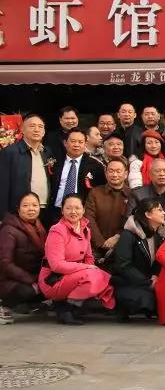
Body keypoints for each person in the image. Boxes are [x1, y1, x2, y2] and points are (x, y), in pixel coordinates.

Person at [38, 194, 116, 325]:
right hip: (53, 279)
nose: (73, 212)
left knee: (104, 276)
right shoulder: (57, 230)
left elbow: (89, 257)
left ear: (83, 210)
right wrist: (86, 268)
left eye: (77, 208)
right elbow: (56, 265)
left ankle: (71, 307)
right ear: (62, 210)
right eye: (68, 208)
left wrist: (89, 267)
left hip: (75, 276)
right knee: (93, 276)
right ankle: (66, 309)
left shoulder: (85, 229)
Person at [109, 198, 165, 322]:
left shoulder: (158, 235)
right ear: (148, 214)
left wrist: (155, 276)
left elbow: (159, 261)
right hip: (127, 282)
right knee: (149, 300)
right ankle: (122, 306)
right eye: (159, 210)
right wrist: (148, 282)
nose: (163, 213)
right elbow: (123, 265)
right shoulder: (128, 235)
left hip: (147, 281)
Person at [0, 193, 47, 323]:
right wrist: (30, 279)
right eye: (25, 205)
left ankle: (29, 304)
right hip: (8, 279)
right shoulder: (9, 229)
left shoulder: (39, 227)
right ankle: (3, 306)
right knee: (28, 291)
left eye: (34, 205)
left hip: (31, 275)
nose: (31, 209)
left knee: (51, 286)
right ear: (18, 209)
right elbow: (4, 262)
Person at [0, 113, 52, 222]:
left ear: (44, 132)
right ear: (22, 130)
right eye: (32, 126)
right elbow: (3, 186)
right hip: (19, 211)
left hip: (44, 209)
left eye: (40, 127)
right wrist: (2, 216)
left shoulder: (47, 152)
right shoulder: (10, 152)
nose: (37, 130)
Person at [49, 128, 106, 223]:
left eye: (80, 142)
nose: (76, 145)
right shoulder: (55, 162)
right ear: (65, 143)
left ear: (85, 144)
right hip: (56, 210)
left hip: (81, 213)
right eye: (73, 141)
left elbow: (100, 190)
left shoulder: (95, 165)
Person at [85, 159, 131, 262]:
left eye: (118, 171)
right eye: (111, 171)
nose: (114, 175)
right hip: (95, 247)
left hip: (122, 247)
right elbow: (89, 218)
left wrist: (118, 237)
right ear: (106, 174)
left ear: (126, 174)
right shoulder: (95, 193)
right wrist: (101, 242)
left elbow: (132, 222)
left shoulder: (132, 195)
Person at [128, 158, 165, 229]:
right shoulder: (138, 195)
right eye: (157, 171)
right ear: (150, 174)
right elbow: (130, 221)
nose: (162, 174)